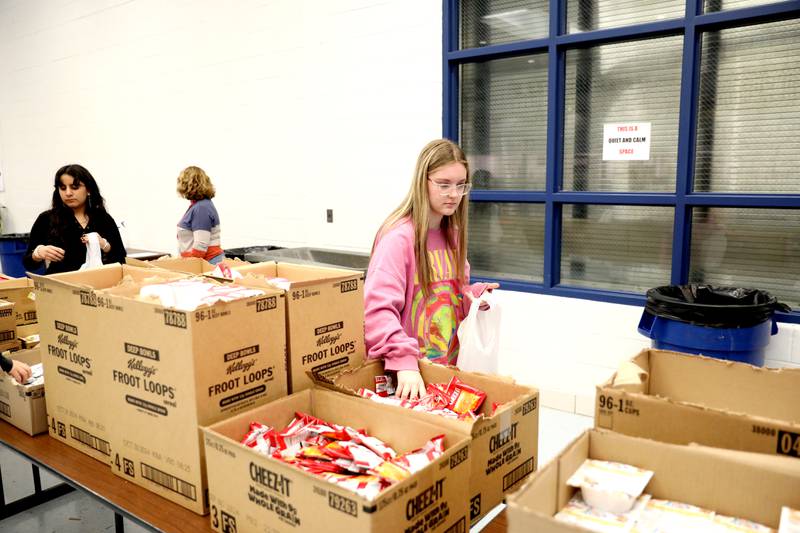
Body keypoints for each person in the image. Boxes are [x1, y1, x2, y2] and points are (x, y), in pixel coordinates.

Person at [364, 139, 498, 400]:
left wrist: (473, 296)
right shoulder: (399, 238)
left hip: (445, 370)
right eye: (444, 184)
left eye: (461, 185)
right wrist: (404, 362)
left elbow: (449, 291)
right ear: (422, 182)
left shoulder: (453, 235)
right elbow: (377, 311)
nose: (453, 194)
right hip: (408, 376)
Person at [23, 164, 126, 274]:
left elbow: (121, 258)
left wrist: (105, 246)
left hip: (97, 283)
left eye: (75, 187)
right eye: (63, 188)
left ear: (88, 190)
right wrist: (38, 253)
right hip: (61, 284)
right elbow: (28, 263)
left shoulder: (103, 218)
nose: (68, 193)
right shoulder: (47, 219)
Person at [176, 166, 225, 265]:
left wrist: (189, 265)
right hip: (203, 262)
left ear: (189, 184)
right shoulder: (199, 205)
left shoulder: (201, 208)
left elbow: (200, 245)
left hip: (208, 263)